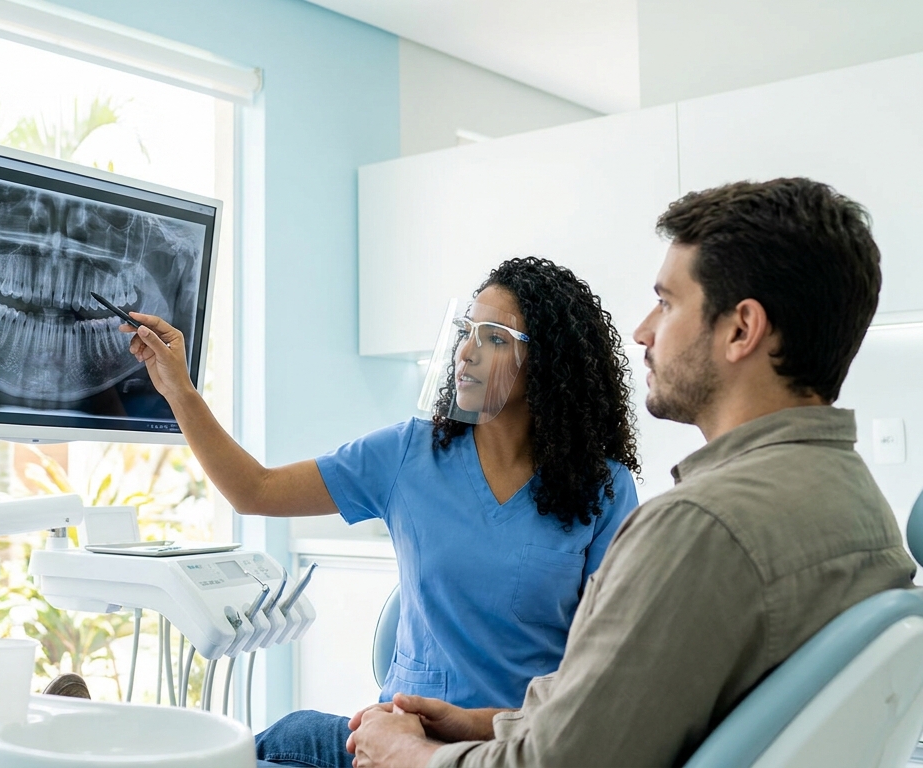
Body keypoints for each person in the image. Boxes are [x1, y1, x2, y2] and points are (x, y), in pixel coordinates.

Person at [345, 178, 918, 768]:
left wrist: (410, 755)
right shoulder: (860, 507)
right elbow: (628, 706)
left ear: (741, 330)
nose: (643, 330)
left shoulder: (699, 528)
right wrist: (487, 723)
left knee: (279, 743)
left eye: (667, 303)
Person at [63, 257, 639, 766]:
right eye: (466, 332)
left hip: (509, 749)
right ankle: (91, 748)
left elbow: (605, 673)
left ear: (550, 363)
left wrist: (477, 726)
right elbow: (255, 490)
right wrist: (179, 391)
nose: (466, 351)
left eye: (493, 337)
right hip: (394, 735)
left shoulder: (604, 489)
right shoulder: (411, 454)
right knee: (276, 737)